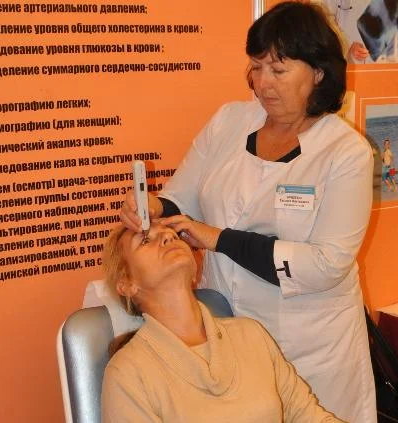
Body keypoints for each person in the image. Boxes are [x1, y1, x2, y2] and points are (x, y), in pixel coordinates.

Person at [119, 2, 376, 422]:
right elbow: (182, 198)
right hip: (229, 330)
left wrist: (219, 239)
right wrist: (155, 206)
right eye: (257, 67)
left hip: (310, 347)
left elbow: (326, 264)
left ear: (318, 72)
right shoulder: (230, 122)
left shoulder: (345, 153)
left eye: (279, 69)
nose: (263, 83)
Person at [101, 222, 345, 422]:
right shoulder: (128, 373)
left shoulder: (251, 335)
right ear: (127, 284)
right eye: (145, 240)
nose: (167, 236)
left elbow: (308, 416)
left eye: (172, 233)